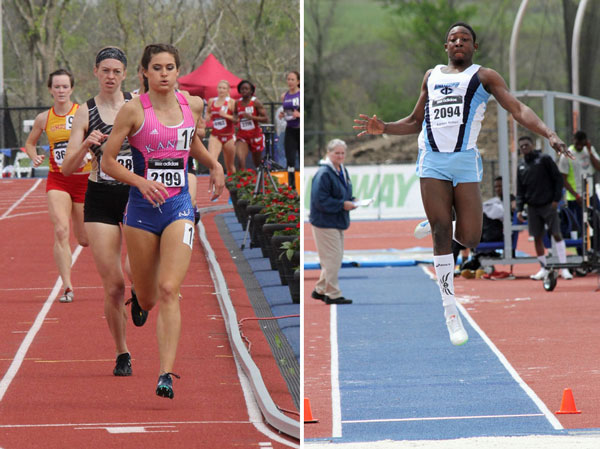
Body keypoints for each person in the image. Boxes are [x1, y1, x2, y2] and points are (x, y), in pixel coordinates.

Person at [354, 22, 571, 346]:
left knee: (469, 236)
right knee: (443, 232)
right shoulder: (432, 76)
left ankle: (439, 216)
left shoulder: (484, 77)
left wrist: (549, 133)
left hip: (465, 162)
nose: (458, 42)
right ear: (446, 47)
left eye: (465, 39)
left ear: (474, 46)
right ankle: (449, 309)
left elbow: (518, 108)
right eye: (453, 39)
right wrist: (383, 126)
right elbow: (415, 122)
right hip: (433, 161)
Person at [101, 43, 224, 399]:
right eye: (157, 68)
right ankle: (140, 298)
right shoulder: (132, 110)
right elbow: (109, 162)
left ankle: (165, 374)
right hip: (140, 211)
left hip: (179, 208)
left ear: (178, 71)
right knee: (151, 295)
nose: (165, 74)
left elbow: (192, 145)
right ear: (144, 72)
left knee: (171, 288)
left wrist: (214, 165)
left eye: (170, 67)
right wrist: (140, 181)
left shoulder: (193, 105)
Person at [62, 46, 142, 377]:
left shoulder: (137, 106)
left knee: (134, 270)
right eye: (105, 70)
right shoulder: (85, 112)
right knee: (113, 286)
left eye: (116, 71)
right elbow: (67, 168)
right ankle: (122, 352)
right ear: (95, 72)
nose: (110, 76)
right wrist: (85, 144)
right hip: (100, 199)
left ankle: (142, 292)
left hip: (134, 196)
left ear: (125, 75)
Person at [24, 69, 91, 303]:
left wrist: (89, 153)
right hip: (58, 179)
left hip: (84, 180)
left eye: (65, 87)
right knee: (61, 230)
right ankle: (68, 286)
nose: (61, 91)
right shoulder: (44, 118)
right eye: (57, 87)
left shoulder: (84, 112)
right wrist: (33, 156)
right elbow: (30, 143)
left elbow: (99, 139)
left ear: (71, 89)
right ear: (50, 90)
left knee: (84, 239)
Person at [516, 135, 573, 281]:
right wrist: (519, 209)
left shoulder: (544, 159)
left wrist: (556, 200)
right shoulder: (521, 166)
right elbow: (520, 190)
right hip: (532, 207)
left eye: (526, 145)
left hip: (548, 204)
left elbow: (558, 179)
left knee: (556, 234)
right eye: (521, 146)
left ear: (532, 145)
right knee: (537, 237)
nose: (524, 148)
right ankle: (543, 268)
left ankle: (564, 268)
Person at [309, 138, 356, 305]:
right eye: (337, 153)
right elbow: (319, 201)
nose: (340, 156)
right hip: (325, 222)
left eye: (343, 153)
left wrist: (351, 200)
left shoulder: (341, 170)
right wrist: (342, 205)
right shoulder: (324, 174)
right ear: (328, 153)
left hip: (336, 220)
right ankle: (333, 294)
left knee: (333, 258)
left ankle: (320, 289)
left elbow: (342, 192)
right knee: (333, 259)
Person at [558, 130, 600, 235]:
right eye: (577, 144)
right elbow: (563, 179)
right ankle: (580, 250)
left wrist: (590, 150)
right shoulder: (567, 154)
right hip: (575, 198)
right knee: (579, 228)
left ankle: (597, 249)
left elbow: (598, 167)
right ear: (573, 141)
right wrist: (576, 195)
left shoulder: (589, 150)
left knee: (597, 222)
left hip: (590, 194)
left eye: (582, 144)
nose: (580, 147)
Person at [234, 79, 268, 170]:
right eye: (242, 89)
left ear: (251, 91)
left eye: (246, 89)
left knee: (257, 163)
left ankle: (260, 181)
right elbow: (234, 115)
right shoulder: (237, 103)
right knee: (241, 160)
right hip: (242, 135)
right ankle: (241, 181)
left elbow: (266, 119)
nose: (244, 91)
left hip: (255, 135)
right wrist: (235, 119)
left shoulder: (256, 102)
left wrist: (252, 118)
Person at [207, 80, 236, 174]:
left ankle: (233, 187)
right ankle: (213, 187)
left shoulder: (231, 102)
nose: (221, 90)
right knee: (212, 162)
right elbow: (207, 113)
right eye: (219, 87)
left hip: (229, 136)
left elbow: (237, 119)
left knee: (230, 165)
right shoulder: (211, 101)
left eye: (224, 88)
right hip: (215, 135)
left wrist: (226, 115)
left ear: (228, 90)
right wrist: (207, 117)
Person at [279, 71, 300, 188]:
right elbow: (287, 111)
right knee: (290, 159)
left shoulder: (301, 94)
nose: (290, 82)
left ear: (298, 81)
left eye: (293, 79)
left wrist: (300, 115)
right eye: (288, 79)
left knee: (300, 157)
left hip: (300, 129)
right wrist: (282, 114)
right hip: (290, 129)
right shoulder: (284, 95)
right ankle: (292, 185)